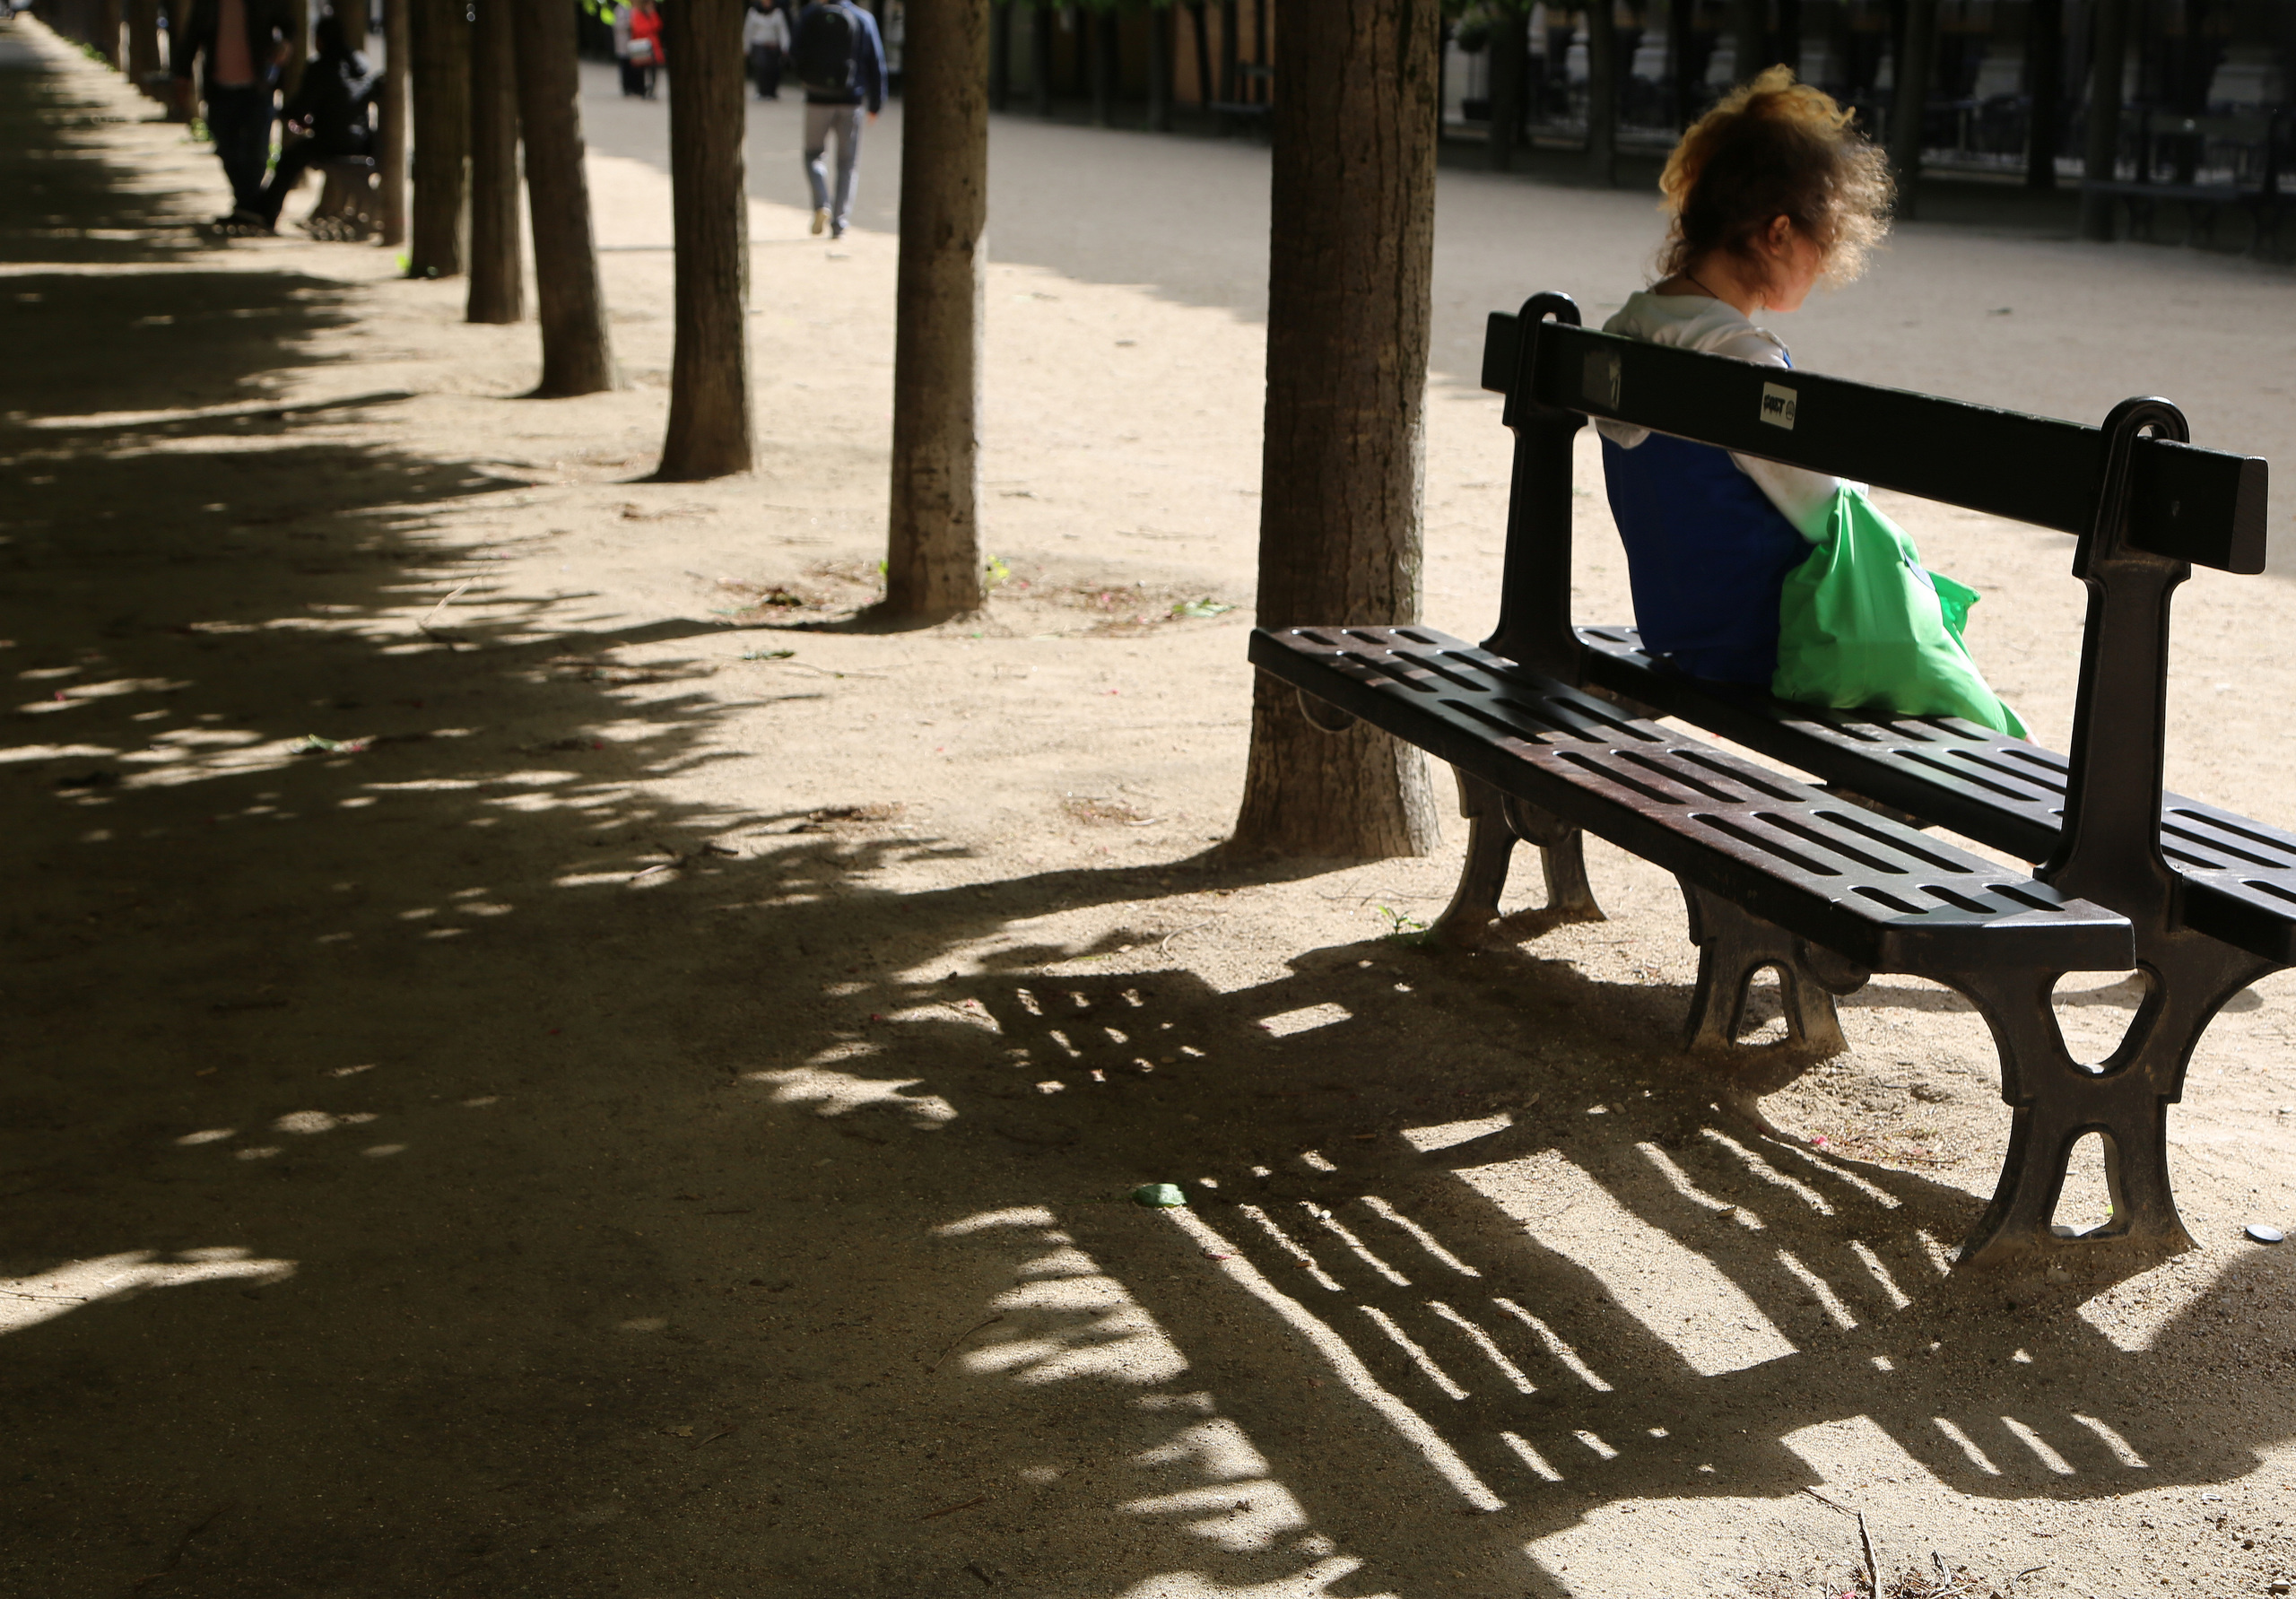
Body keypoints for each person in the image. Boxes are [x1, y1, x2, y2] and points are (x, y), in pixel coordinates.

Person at [1595, 67, 2021, 734]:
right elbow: (1825, 507)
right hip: (1766, 640)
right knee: (1966, 703)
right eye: (1820, 246)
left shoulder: (1629, 328)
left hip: (1677, 619)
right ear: (1778, 232)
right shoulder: (1741, 359)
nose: (1823, 267)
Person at [170, 0, 295, 230]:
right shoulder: (207, 5)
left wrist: (286, 44)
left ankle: (246, 208)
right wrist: (182, 77)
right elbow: (192, 36)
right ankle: (250, 207)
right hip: (219, 88)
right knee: (226, 148)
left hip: (258, 87)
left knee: (257, 151)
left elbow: (288, 23)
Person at [252, 11, 375, 232]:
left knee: (289, 159)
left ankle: (267, 213)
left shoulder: (321, 67)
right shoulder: (361, 64)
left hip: (331, 141)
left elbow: (301, 108)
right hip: (361, 140)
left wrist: (284, 113)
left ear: (320, 39)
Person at [791, 0, 883, 239]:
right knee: (847, 164)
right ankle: (839, 223)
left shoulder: (811, 14)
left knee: (813, 155)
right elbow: (876, 63)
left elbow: (794, 52)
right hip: (851, 100)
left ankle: (822, 203)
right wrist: (876, 104)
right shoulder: (864, 19)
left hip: (816, 98)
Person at [744, 0, 790, 100]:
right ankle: (762, 91)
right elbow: (748, 30)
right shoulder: (753, 12)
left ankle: (771, 92)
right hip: (759, 44)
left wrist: (785, 46)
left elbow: (782, 30)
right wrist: (746, 47)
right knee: (762, 68)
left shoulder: (777, 13)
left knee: (773, 69)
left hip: (773, 45)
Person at [623, 0, 665, 100]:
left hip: (653, 47)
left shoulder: (652, 14)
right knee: (642, 70)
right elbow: (638, 29)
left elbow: (658, 25)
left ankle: (652, 90)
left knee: (653, 70)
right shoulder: (637, 14)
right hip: (642, 46)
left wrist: (652, 15)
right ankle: (643, 90)